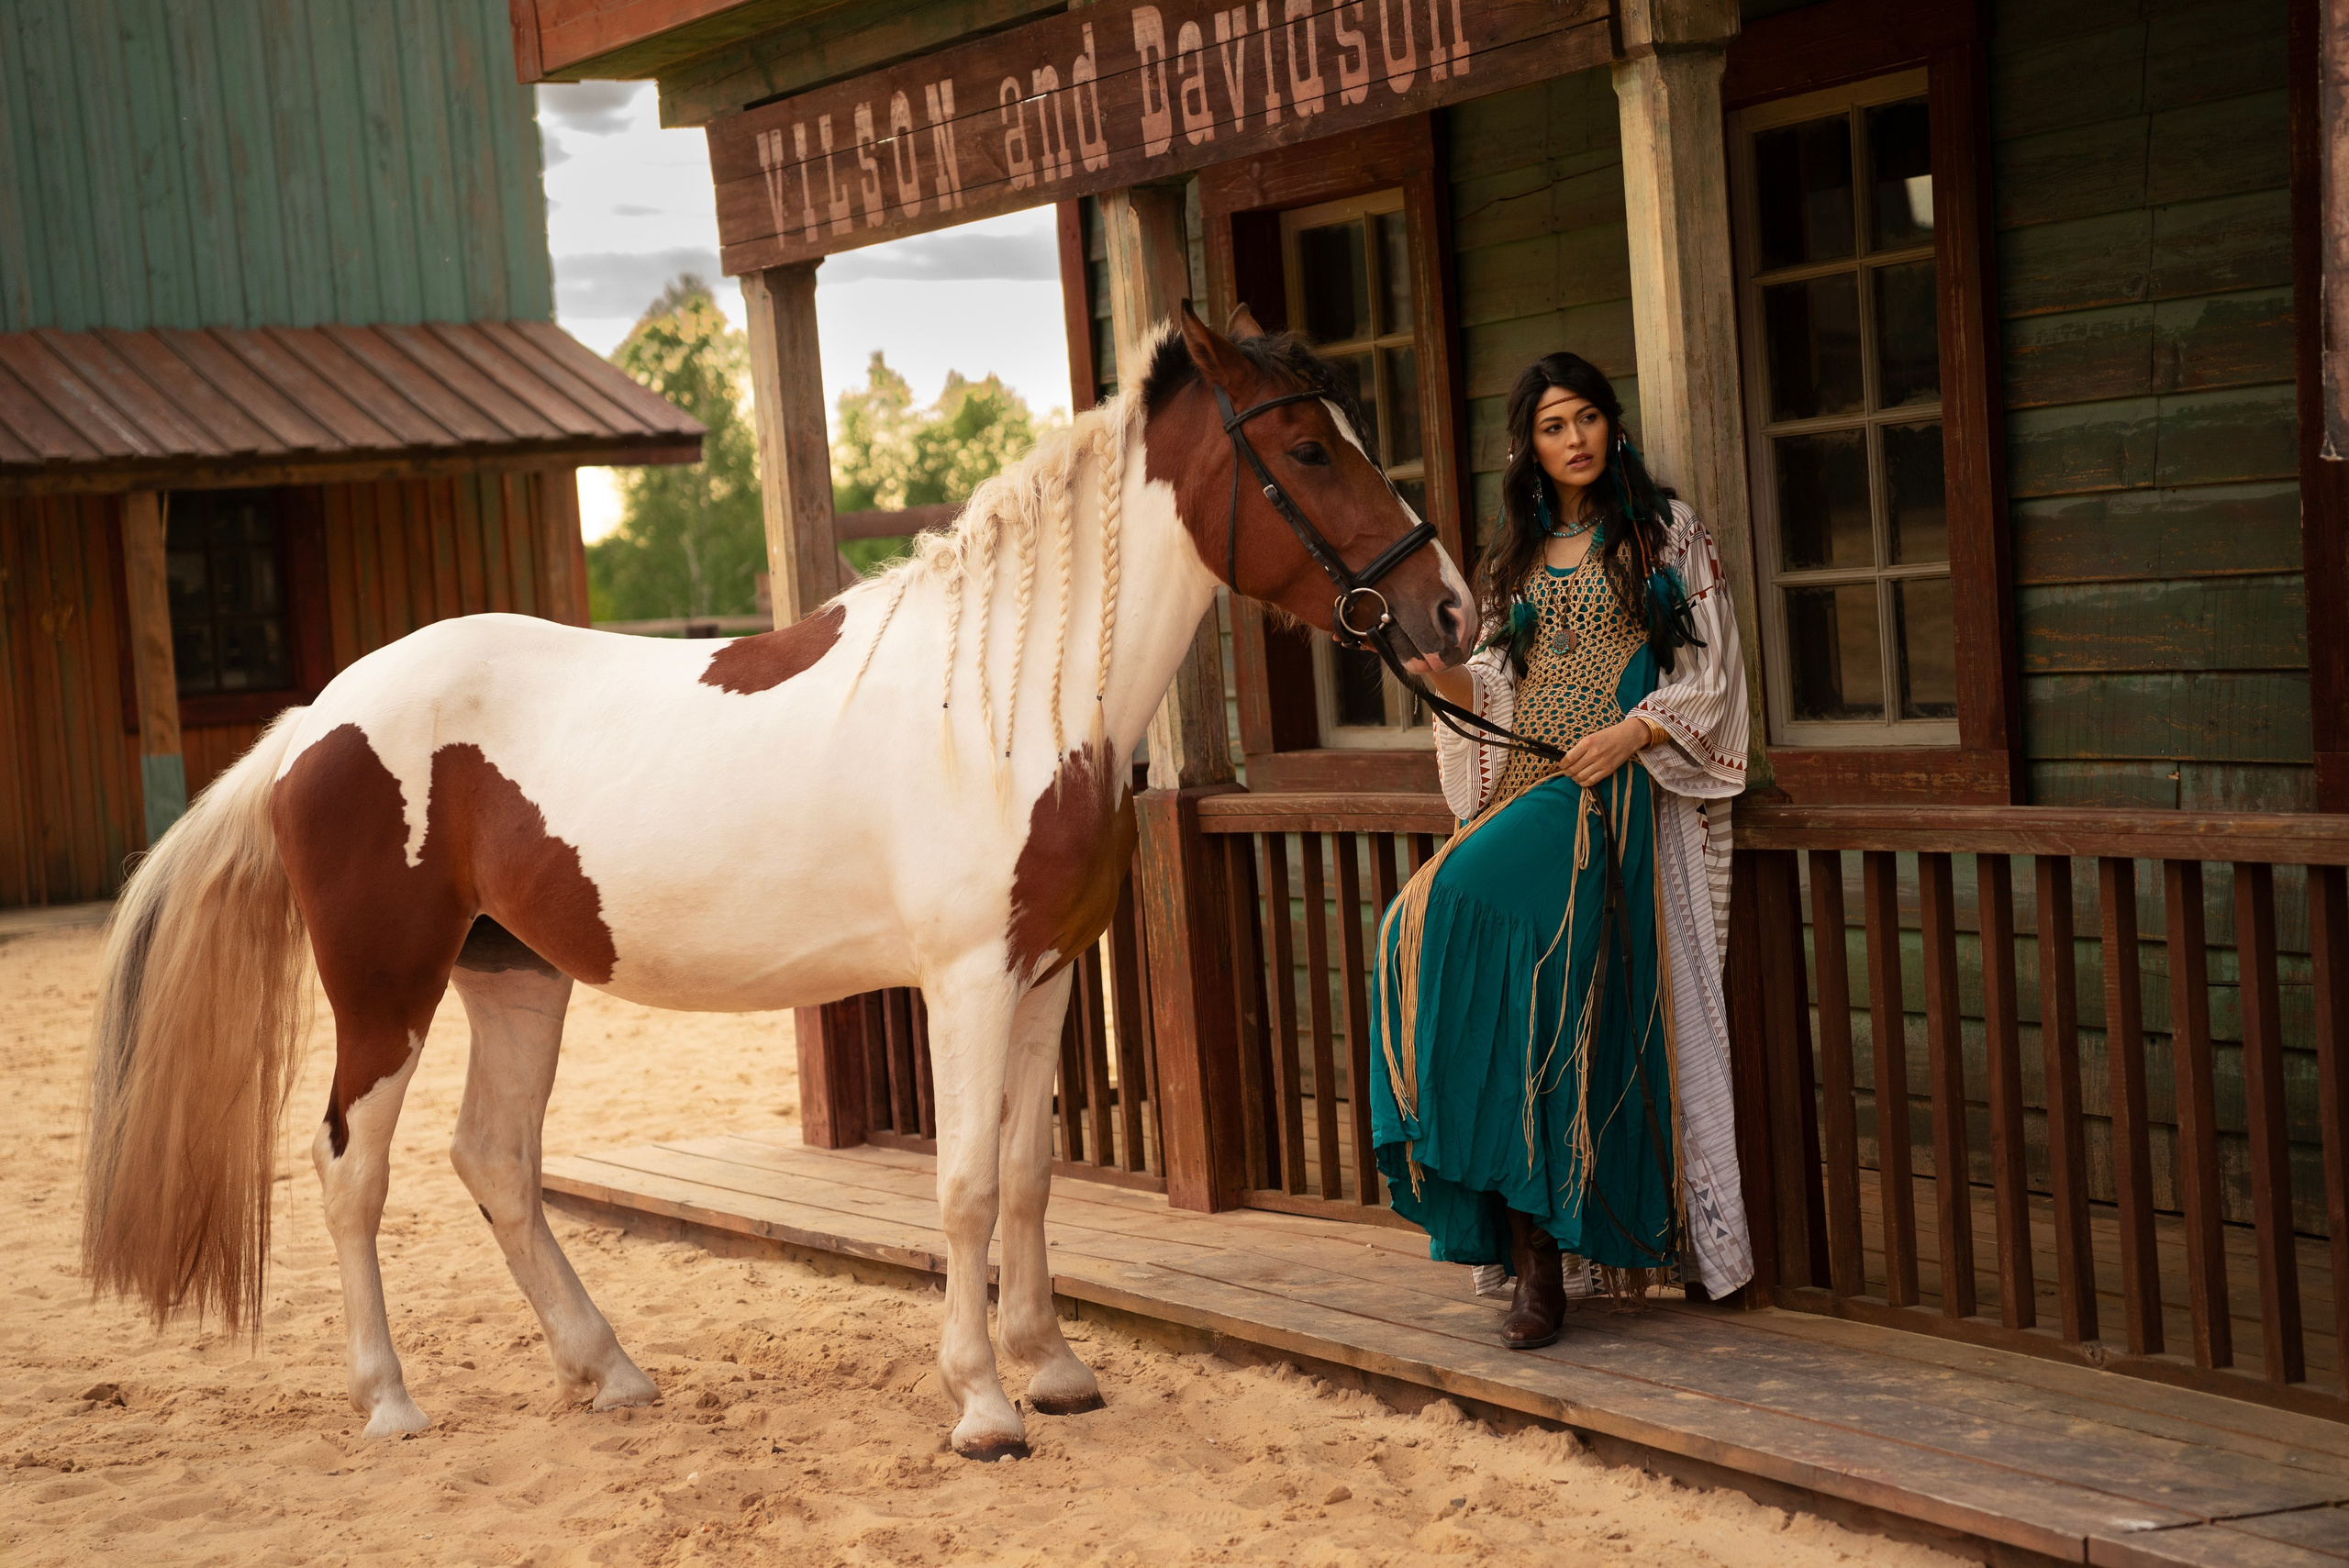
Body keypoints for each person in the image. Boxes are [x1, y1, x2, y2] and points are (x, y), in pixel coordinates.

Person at [1373, 352, 1754, 1350]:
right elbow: (1495, 691)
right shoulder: (1512, 558)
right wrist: (1448, 685)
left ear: (1611, 427)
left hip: (1613, 793)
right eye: (1553, 424)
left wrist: (1636, 730)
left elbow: (1712, 669)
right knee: (1432, 939)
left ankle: (1547, 1250)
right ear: (1527, 445)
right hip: (1527, 782)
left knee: (1450, 917)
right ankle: (1529, 1250)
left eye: (1587, 417)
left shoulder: (1666, 532)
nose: (1574, 437)